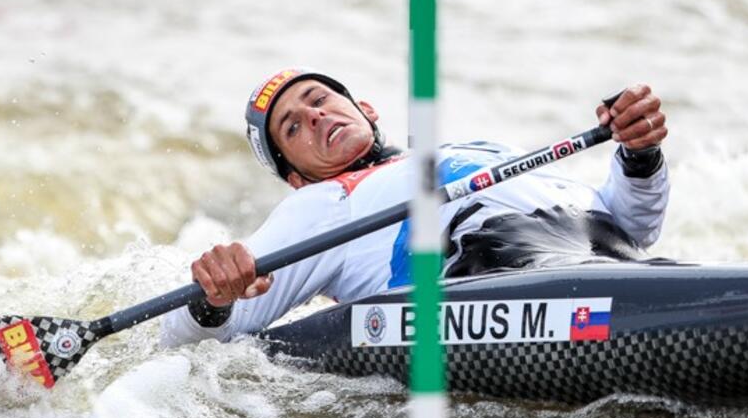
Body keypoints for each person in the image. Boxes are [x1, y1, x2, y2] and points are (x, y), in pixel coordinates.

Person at [161, 68, 668, 346]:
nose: (314, 116)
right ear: (296, 177)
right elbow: (191, 341)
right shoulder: (322, 205)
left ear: (366, 109)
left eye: (319, 99)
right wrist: (215, 297)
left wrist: (639, 154)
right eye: (292, 129)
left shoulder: (484, 150)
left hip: (612, 263)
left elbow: (633, 226)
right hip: (499, 285)